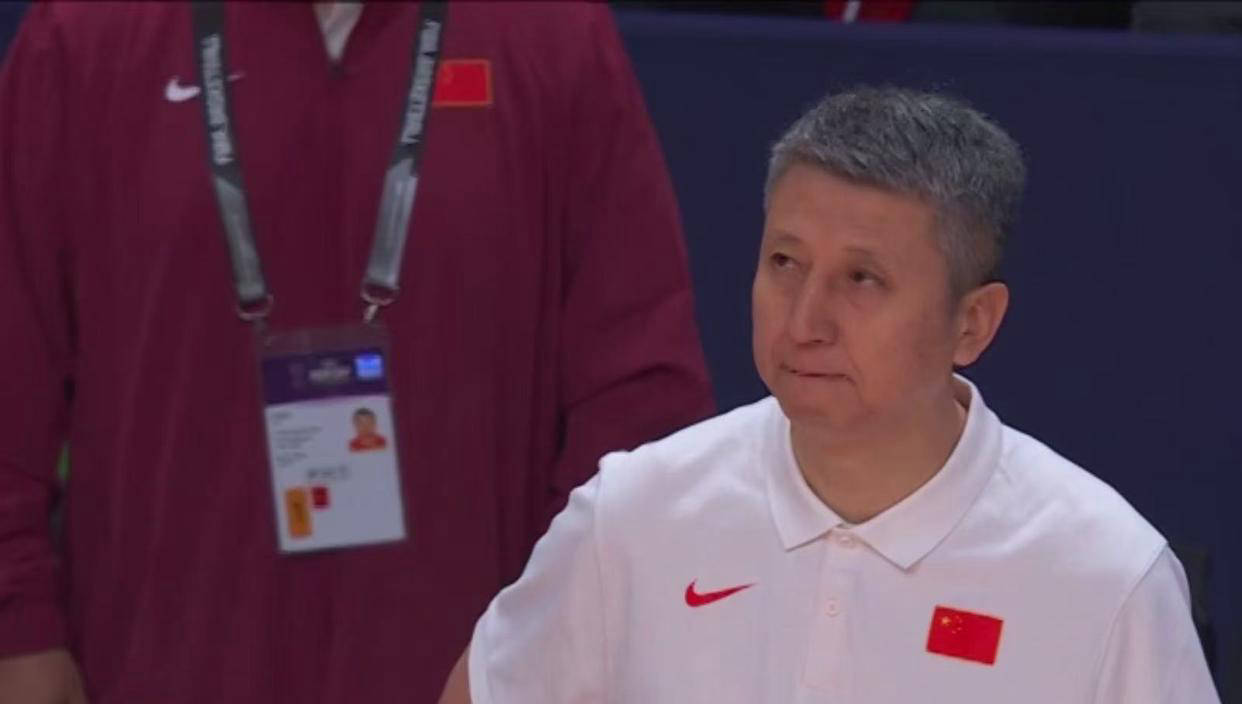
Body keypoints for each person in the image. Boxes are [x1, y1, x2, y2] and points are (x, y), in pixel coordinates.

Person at [0, 2, 714, 702]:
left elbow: (638, 389)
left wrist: (566, 633)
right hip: (161, 661)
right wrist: (17, 624)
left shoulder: (551, 36)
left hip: (463, 669)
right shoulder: (88, 34)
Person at [441, 86, 1221, 703]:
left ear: (972, 324)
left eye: (862, 279)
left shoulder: (1106, 577)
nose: (805, 321)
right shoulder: (631, 516)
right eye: (785, 263)